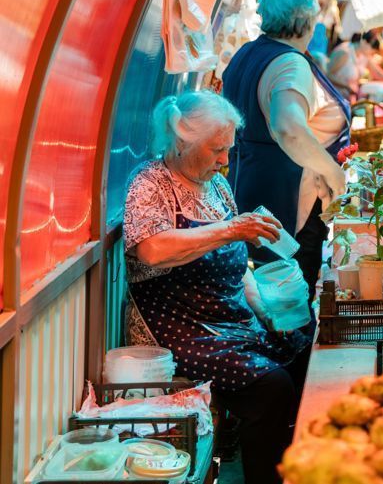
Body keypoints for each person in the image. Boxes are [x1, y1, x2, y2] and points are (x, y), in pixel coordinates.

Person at [124, 92, 309, 484]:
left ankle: (287, 465)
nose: (225, 160)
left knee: (302, 348)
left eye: (228, 149)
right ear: (181, 142)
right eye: (216, 150)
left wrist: (264, 310)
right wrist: (231, 229)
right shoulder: (150, 184)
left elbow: (240, 263)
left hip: (228, 321)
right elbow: (153, 250)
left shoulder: (217, 187)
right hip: (181, 329)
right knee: (271, 388)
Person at [222, 0, 351, 301]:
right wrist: (333, 173)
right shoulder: (289, 62)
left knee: (259, 284)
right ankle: (288, 350)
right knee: (287, 291)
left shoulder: (247, 53)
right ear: (307, 21)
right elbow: (288, 128)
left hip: (249, 184)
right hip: (288, 196)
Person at [326, 33, 361, 97]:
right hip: (334, 95)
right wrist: (347, 86)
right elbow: (328, 75)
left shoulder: (355, 53)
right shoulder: (345, 53)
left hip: (342, 96)